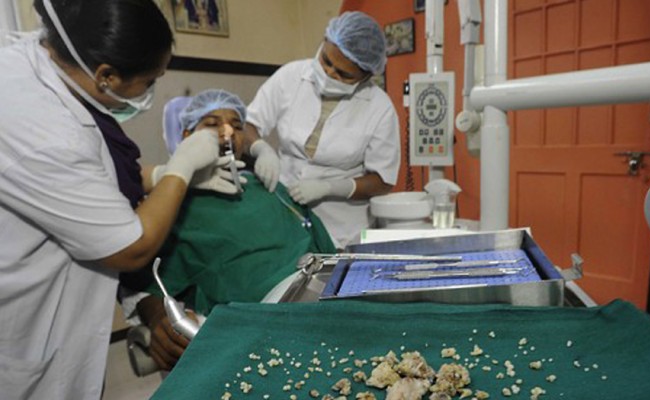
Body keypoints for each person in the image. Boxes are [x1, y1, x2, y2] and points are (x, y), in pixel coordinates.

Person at [0, 1, 238, 398]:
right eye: (149, 82)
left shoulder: (49, 66)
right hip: (25, 328)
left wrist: (159, 176)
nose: (152, 91)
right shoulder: (41, 130)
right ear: (106, 75)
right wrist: (180, 167)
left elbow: (93, 179)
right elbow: (131, 248)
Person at [120, 89, 335, 371]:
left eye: (236, 126)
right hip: (254, 328)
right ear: (187, 138)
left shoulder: (272, 188)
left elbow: (333, 256)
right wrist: (157, 315)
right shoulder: (173, 203)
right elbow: (142, 285)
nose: (226, 132)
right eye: (211, 125)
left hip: (323, 311)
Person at [241, 11, 401, 249]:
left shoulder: (380, 108)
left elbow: (381, 180)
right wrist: (260, 148)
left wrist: (331, 188)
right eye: (326, 60)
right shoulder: (291, 76)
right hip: (286, 212)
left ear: (366, 74)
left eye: (343, 74)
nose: (329, 73)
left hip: (341, 230)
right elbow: (247, 124)